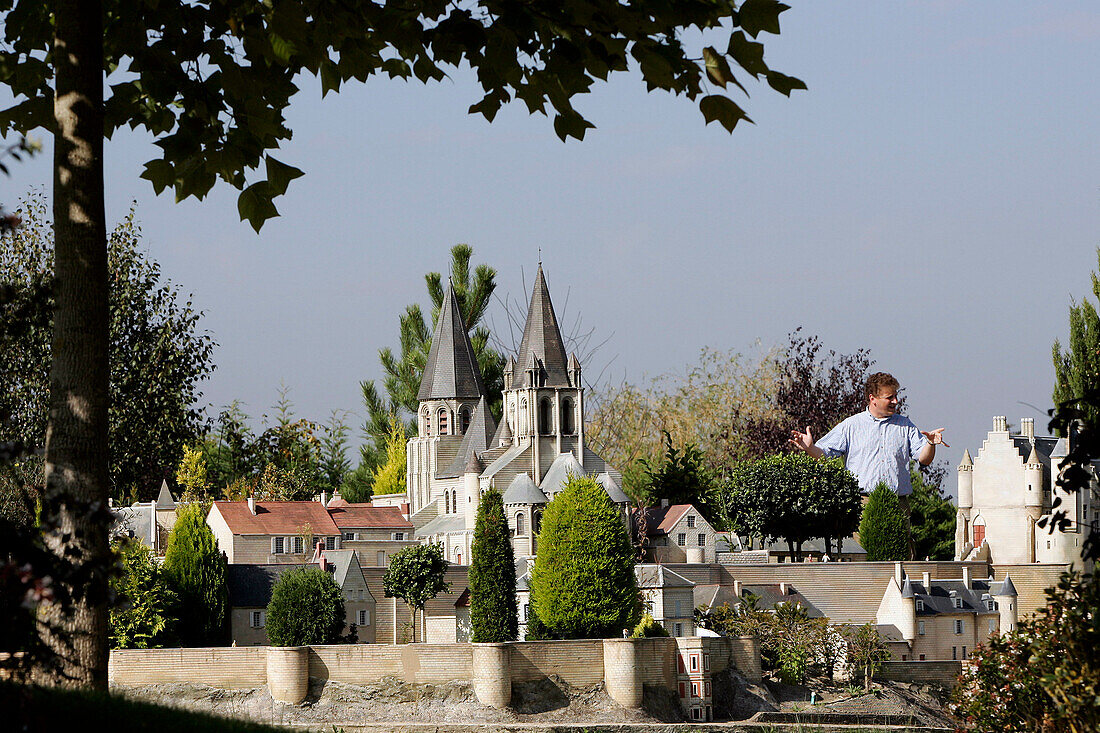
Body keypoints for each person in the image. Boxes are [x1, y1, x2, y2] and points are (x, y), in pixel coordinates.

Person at [789, 372, 947, 557]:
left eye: (896, 395)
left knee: (901, 558)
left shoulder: (906, 426)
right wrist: (809, 448)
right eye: (890, 397)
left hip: (898, 503)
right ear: (873, 398)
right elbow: (823, 455)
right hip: (863, 504)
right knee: (864, 557)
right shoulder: (851, 425)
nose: (896, 401)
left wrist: (931, 443)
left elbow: (924, 459)